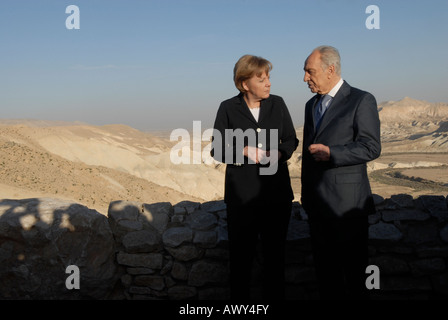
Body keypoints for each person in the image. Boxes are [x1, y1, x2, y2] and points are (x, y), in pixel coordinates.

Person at [211, 54, 298, 300]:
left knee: (275, 260)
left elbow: (291, 139)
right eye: (262, 79)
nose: (269, 83)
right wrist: (244, 150)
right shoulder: (228, 108)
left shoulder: (278, 104)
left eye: (268, 77)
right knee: (240, 261)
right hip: (242, 199)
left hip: (277, 197)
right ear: (244, 84)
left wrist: (280, 153)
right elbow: (217, 149)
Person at [300, 45, 381, 299]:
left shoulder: (361, 100)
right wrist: (306, 198)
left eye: (309, 71)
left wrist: (332, 153)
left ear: (330, 70)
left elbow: (371, 147)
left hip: (348, 207)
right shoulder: (310, 105)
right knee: (326, 275)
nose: (305, 78)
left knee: (355, 275)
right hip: (317, 206)